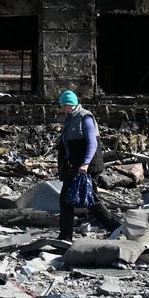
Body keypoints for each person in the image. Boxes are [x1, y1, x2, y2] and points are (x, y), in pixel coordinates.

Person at [55, 89, 112, 240]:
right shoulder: (70, 119)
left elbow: (92, 143)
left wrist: (85, 164)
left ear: (69, 105)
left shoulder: (85, 117)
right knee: (66, 200)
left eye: (63, 105)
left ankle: (115, 226)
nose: (62, 109)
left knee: (91, 200)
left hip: (86, 167)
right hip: (73, 167)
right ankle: (65, 236)